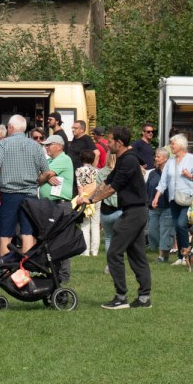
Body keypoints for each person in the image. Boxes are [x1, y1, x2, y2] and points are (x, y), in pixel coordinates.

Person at [76, 126, 151, 309]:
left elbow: (113, 188)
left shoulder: (128, 160)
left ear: (119, 142)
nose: (107, 144)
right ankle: (144, 299)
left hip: (134, 211)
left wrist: (91, 200)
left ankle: (121, 297)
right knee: (137, 255)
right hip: (135, 210)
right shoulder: (124, 159)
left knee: (114, 252)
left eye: (109, 140)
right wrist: (87, 195)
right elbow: (106, 182)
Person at [0, 115, 53, 256]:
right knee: (27, 233)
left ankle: (6, 270)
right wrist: (36, 182)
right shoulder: (36, 146)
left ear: (10, 127)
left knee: (5, 234)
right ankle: (25, 270)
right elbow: (47, 172)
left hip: (8, 193)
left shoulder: (3, 144)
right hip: (30, 195)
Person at [153, 133, 193, 266]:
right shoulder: (170, 161)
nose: (170, 145)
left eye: (172, 143)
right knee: (177, 227)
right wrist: (156, 197)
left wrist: (190, 176)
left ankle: (186, 256)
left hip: (188, 198)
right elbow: (163, 182)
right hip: (173, 199)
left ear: (180, 145)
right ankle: (182, 257)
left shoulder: (192, 158)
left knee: (181, 224)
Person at [146, 147, 174, 262]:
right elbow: (147, 188)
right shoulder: (152, 173)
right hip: (153, 208)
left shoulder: (171, 173)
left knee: (165, 231)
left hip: (167, 207)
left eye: (158, 156)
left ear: (166, 159)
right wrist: (148, 202)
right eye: (155, 156)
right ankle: (164, 250)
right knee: (152, 231)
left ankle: (162, 256)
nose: (155, 158)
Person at [74, 148, 101, 257]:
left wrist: (81, 197)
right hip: (96, 198)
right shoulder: (97, 171)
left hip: (85, 198)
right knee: (95, 225)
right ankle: (94, 251)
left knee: (85, 225)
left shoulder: (79, 170)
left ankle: (85, 251)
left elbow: (79, 185)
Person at [39, 135, 74, 203]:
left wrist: (46, 176)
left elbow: (43, 176)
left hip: (58, 203)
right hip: (49, 203)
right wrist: (48, 177)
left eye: (49, 145)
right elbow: (39, 174)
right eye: (46, 145)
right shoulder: (49, 161)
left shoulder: (63, 158)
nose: (46, 147)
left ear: (59, 146)